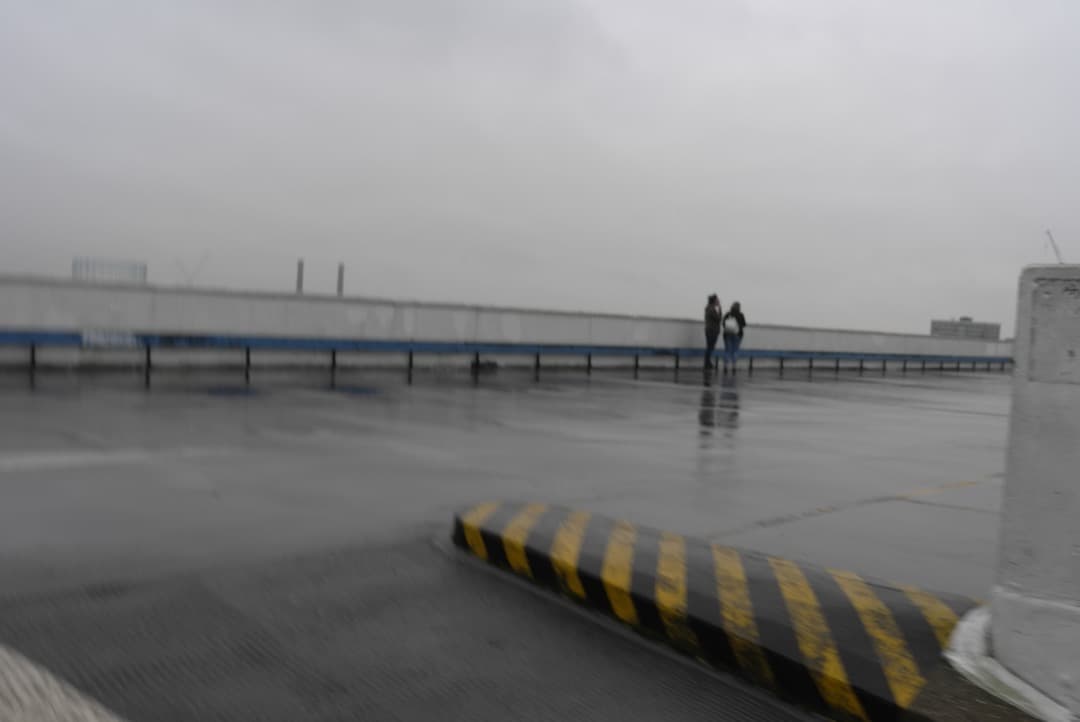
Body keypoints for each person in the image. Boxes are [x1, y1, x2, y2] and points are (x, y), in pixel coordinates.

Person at [722, 301, 746, 372]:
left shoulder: (728, 314)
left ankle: (725, 366)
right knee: (735, 350)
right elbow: (744, 325)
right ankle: (734, 367)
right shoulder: (740, 315)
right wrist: (738, 326)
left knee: (727, 350)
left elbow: (723, 324)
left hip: (727, 335)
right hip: (738, 335)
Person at [704, 294, 722, 370]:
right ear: (714, 301)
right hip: (712, 330)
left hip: (709, 330)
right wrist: (720, 309)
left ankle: (708, 363)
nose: (718, 301)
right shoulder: (711, 309)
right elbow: (718, 319)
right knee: (710, 347)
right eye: (717, 300)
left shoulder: (708, 308)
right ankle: (707, 363)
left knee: (710, 347)